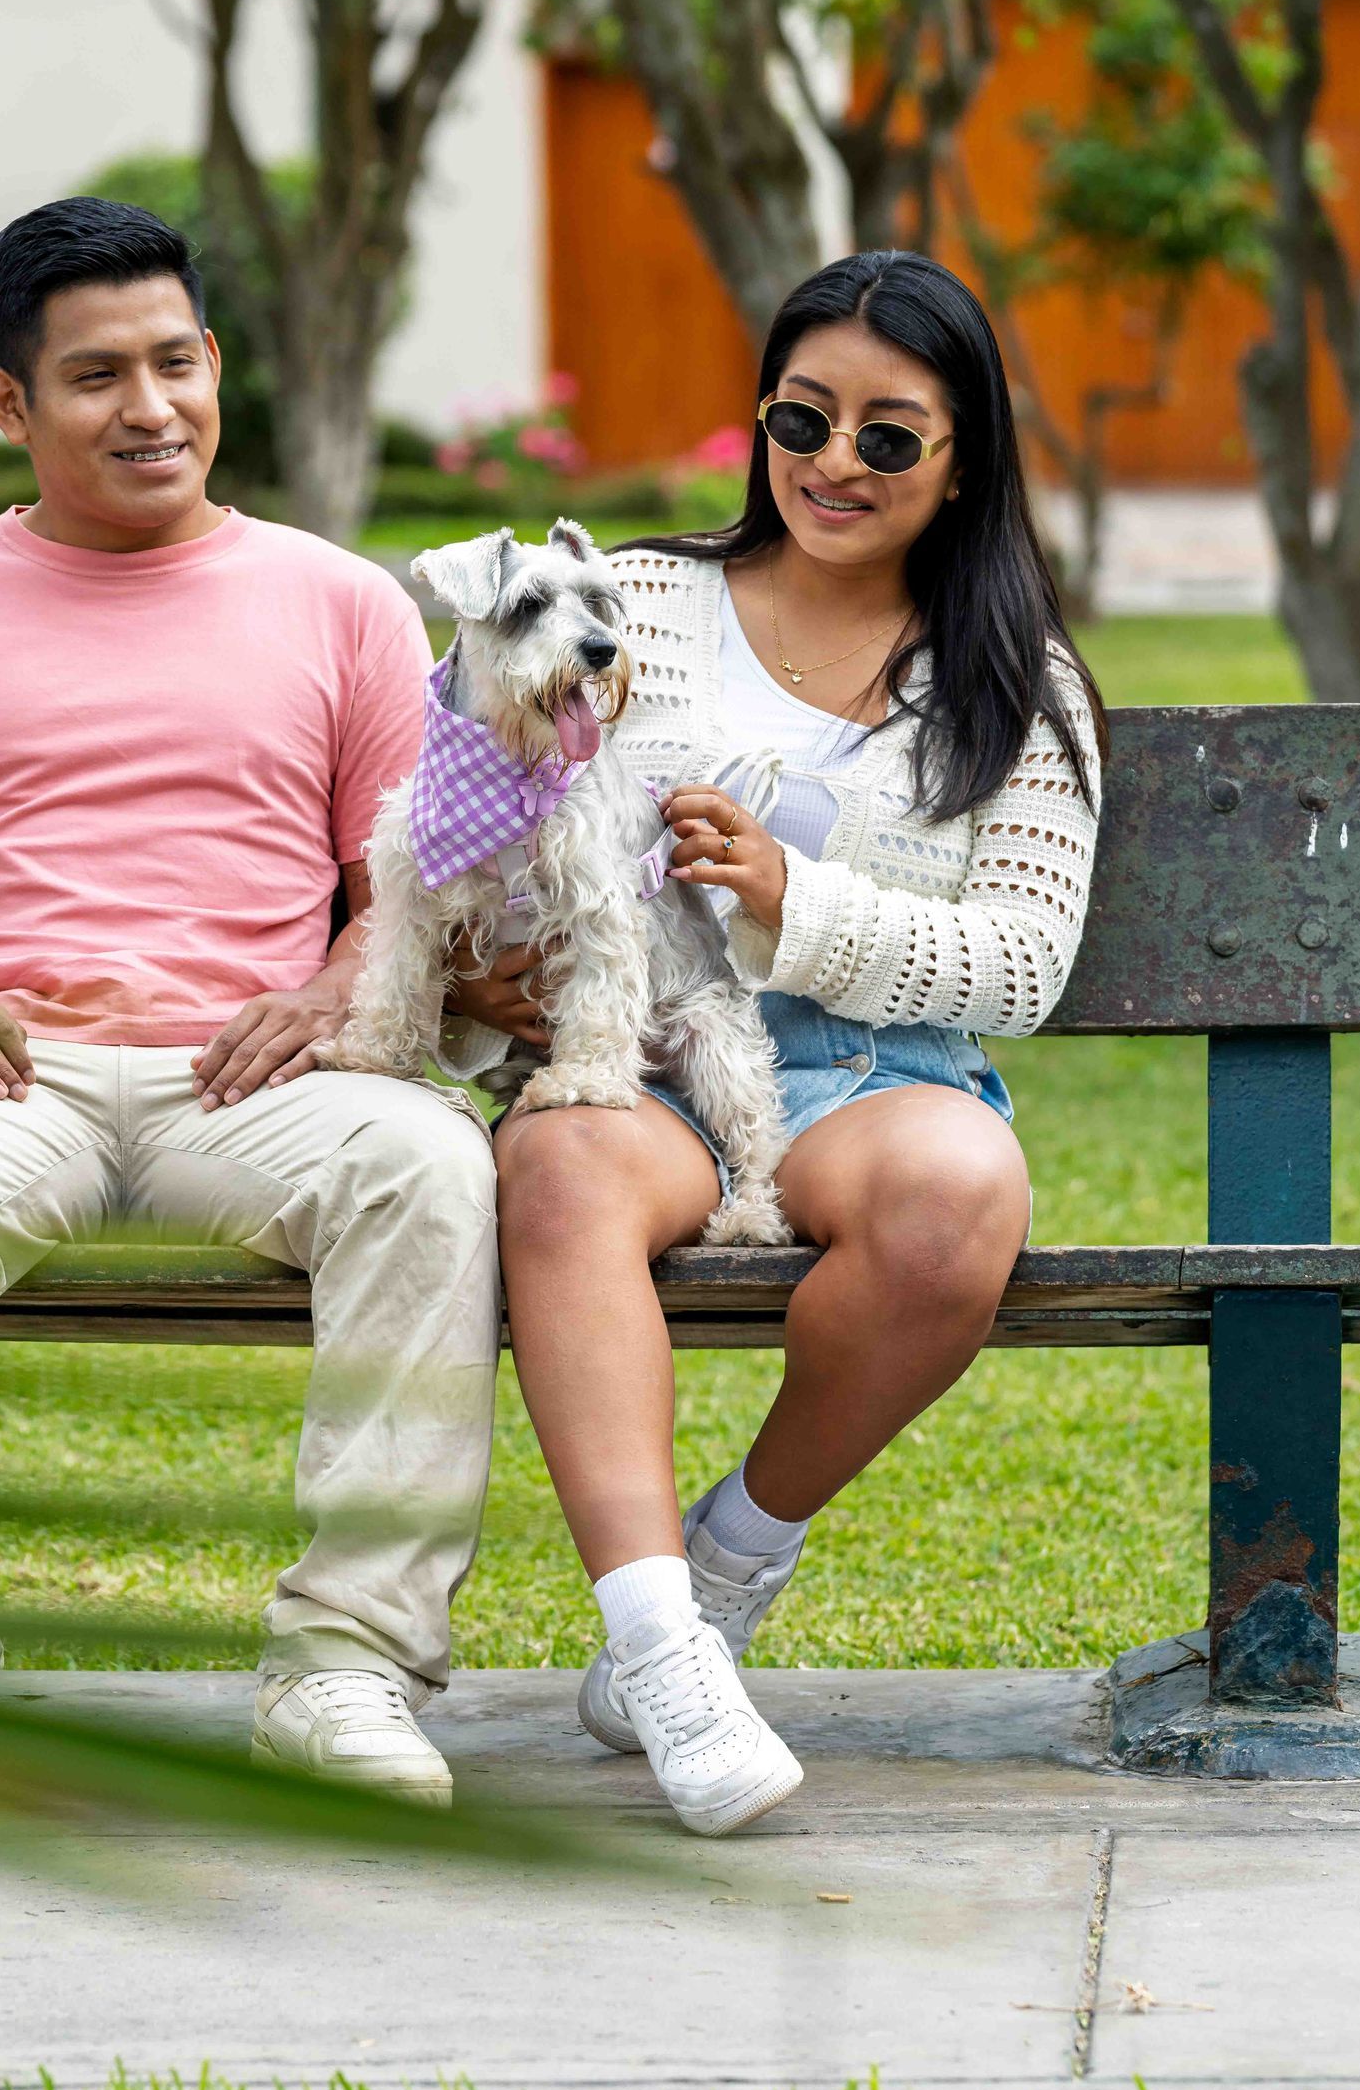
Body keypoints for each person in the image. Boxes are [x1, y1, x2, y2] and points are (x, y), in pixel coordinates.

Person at [0, 195, 499, 1849]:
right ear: (12, 406)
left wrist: (335, 985)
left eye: (177, 362)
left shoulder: (342, 603)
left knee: (430, 1172)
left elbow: (407, 877)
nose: (151, 406)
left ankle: (346, 1672)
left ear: (218, 365)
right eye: (97, 376)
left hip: (248, 1069)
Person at [451, 249, 1106, 1838]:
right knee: (558, 1167)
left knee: (961, 1197)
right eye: (803, 418)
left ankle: (736, 1559)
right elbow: (463, 798)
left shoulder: (1016, 685)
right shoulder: (632, 600)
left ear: (961, 467)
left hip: (874, 1073)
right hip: (652, 1058)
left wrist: (790, 899)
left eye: (891, 436)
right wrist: (488, 999)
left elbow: (1021, 965)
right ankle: (658, 1642)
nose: (834, 462)